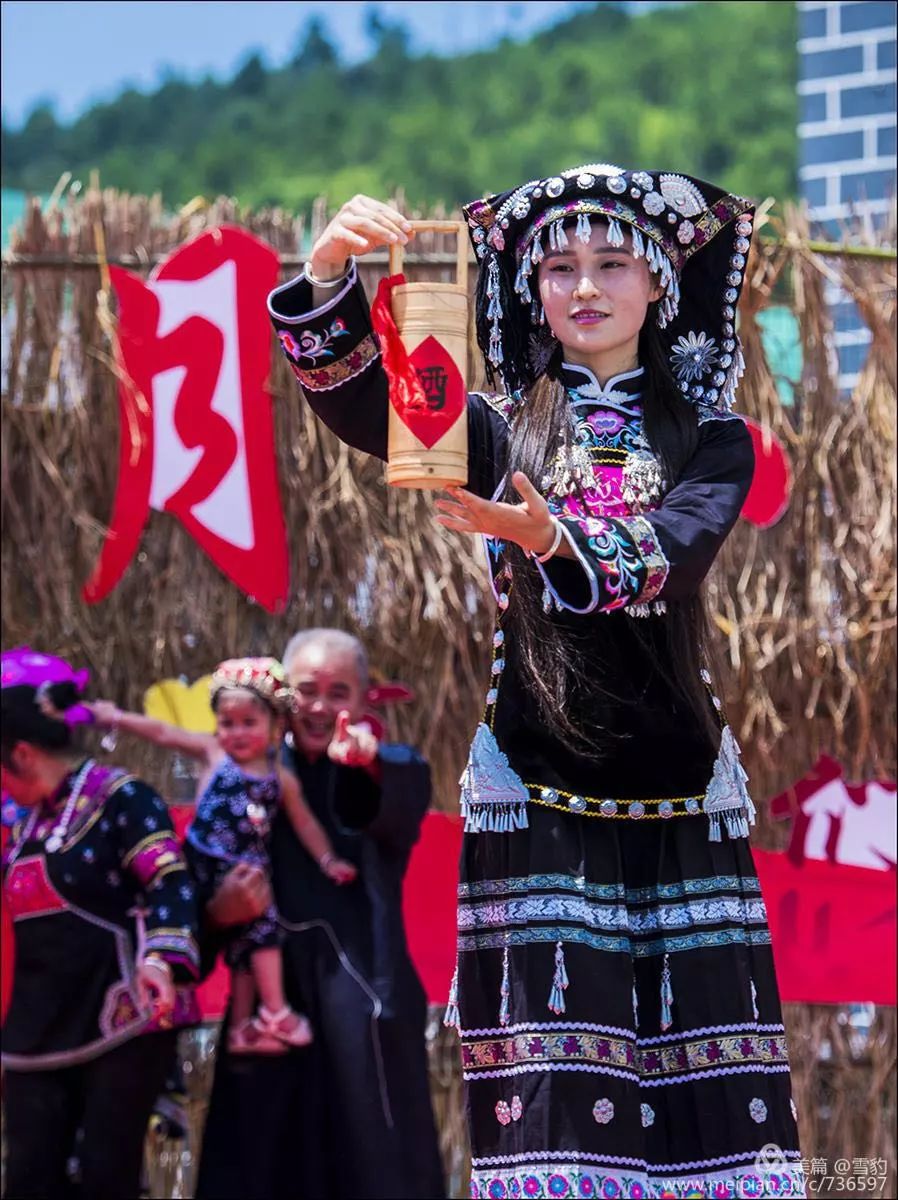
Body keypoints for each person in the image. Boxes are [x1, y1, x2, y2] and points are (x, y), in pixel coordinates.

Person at [265, 171, 807, 1198]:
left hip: (682, 787)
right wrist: (326, 273)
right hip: (535, 781)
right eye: (559, 267)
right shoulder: (491, 431)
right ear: (531, 289)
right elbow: (374, 413)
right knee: (558, 1090)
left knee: (709, 1094)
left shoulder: (714, 438)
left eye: (611, 264)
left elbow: (676, 552)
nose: (584, 286)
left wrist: (544, 534)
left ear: (658, 286)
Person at [195, 629, 445, 1200]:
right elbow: (195, 891)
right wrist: (219, 910)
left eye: (339, 691)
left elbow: (398, 791)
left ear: (362, 701)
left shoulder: (382, 766)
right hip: (271, 1007)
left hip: (363, 996)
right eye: (306, 690)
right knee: (257, 1162)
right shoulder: (242, 781)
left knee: (376, 1163)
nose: (319, 706)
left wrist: (368, 761)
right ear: (283, 696)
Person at [0, 647, 199, 1200]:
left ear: (19, 753)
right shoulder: (18, 825)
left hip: (121, 1021)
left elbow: (169, 882)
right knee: (29, 1177)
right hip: (35, 1031)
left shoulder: (122, 799)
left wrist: (160, 957)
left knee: (105, 1174)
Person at [89, 656, 357, 1056]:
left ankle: (241, 1027)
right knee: (256, 937)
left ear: (274, 725)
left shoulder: (278, 775)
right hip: (199, 863)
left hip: (248, 867)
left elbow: (305, 824)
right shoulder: (214, 754)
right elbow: (162, 732)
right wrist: (117, 718)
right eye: (227, 723)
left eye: (249, 722)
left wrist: (328, 860)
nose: (236, 733)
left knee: (250, 947)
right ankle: (276, 1010)